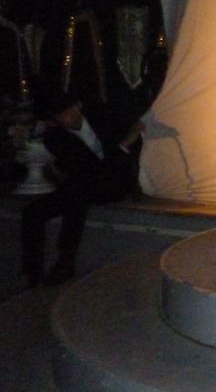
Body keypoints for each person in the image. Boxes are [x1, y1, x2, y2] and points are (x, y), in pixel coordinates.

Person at [19, 90, 144, 286]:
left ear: (77, 106)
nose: (66, 118)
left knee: (78, 192)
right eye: (60, 115)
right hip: (86, 183)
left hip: (115, 183)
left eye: (68, 111)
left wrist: (124, 146)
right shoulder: (56, 139)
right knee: (32, 212)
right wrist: (123, 145)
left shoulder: (102, 117)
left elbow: (116, 165)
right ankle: (32, 272)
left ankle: (66, 259)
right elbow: (86, 171)